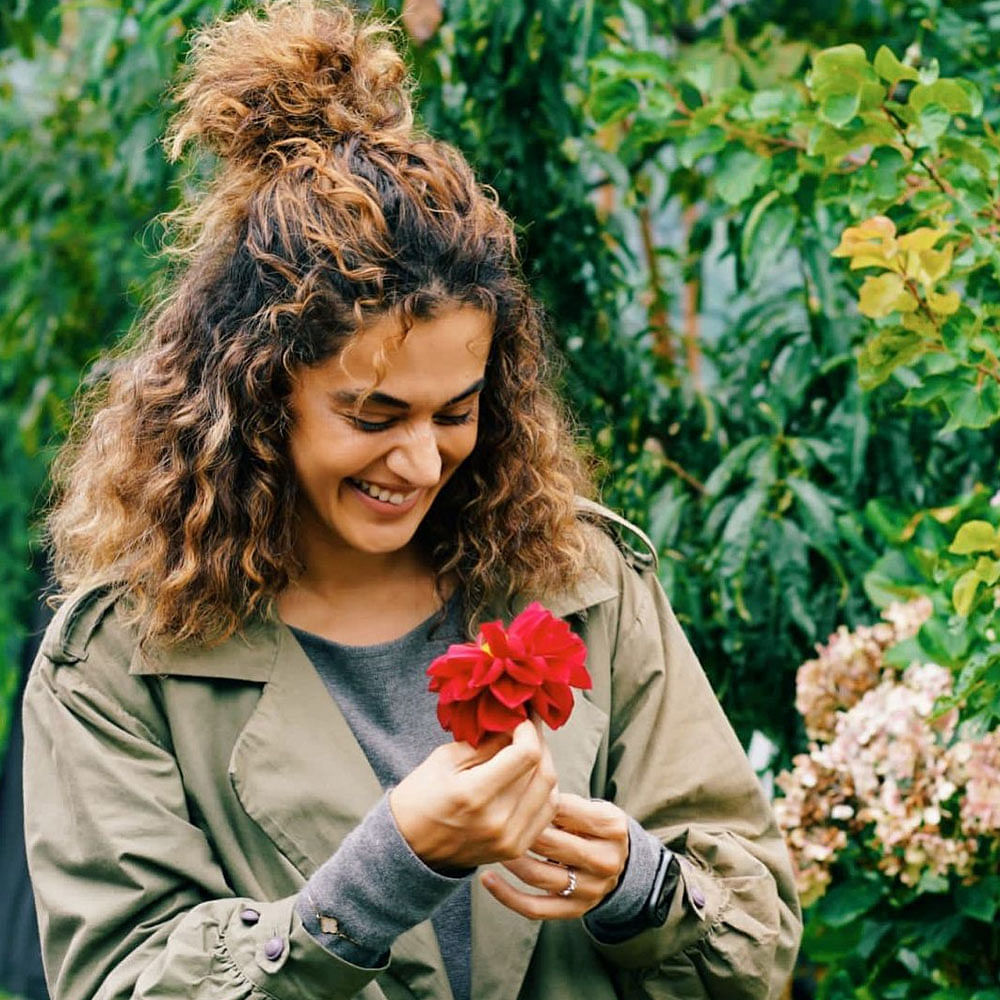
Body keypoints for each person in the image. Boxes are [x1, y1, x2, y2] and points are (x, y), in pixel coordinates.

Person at [22, 2, 802, 999]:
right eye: (373, 412)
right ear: (262, 387)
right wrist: (380, 874)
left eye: (456, 411)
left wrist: (637, 886)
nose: (423, 460)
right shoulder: (124, 656)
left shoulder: (586, 585)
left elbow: (754, 937)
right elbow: (118, 979)